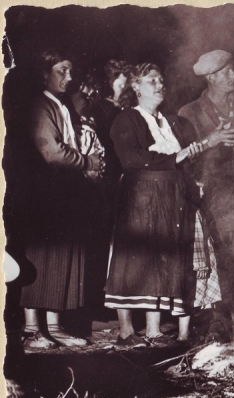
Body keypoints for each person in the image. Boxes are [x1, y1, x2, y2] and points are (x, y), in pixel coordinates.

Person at [104, 63, 203, 347]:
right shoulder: (127, 119)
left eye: (161, 80)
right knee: (133, 261)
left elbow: (181, 159)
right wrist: (177, 158)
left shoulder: (170, 122)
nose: (160, 85)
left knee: (159, 261)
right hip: (141, 195)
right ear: (136, 87)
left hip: (170, 197)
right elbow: (131, 160)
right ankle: (125, 332)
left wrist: (191, 158)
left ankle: (153, 331)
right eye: (151, 81)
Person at [178, 50, 234, 331]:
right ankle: (228, 325)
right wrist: (213, 141)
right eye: (227, 72)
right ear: (211, 77)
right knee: (220, 261)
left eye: (232, 70)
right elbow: (183, 157)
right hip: (211, 194)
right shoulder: (189, 112)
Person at [19, 50, 104, 348]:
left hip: (66, 192)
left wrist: (89, 165)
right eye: (61, 71)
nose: (68, 78)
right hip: (46, 193)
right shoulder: (39, 104)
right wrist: (87, 162)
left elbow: (73, 142)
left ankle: (53, 327)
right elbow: (51, 152)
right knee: (42, 256)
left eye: (70, 72)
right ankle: (31, 329)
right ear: (44, 73)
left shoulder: (62, 104)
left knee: (62, 258)